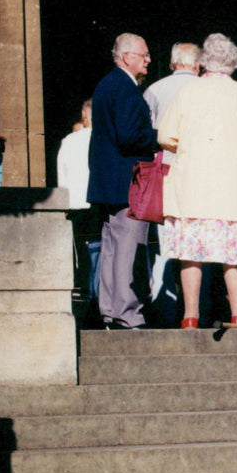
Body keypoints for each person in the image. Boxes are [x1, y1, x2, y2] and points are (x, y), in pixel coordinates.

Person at [157, 33, 237, 328]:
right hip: (230, 186)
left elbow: (165, 135)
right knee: (232, 256)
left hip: (192, 186)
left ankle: (190, 316)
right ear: (233, 63)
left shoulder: (186, 91)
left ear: (204, 61)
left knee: (190, 255)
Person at [87, 34, 158, 330]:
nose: (148, 60)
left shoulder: (107, 85)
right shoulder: (125, 88)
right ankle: (127, 312)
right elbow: (129, 135)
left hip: (108, 181)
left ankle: (109, 309)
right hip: (127, 181)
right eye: (144, 54)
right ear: (127, 56)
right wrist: (160, 137)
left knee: (112, 247)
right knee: (127, 246)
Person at [143, 42, 201, 326]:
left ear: (172, 62)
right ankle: (202, 307)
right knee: (201, 239)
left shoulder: (154, 89)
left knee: (165, 241)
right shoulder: (206, 88)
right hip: (202, 172)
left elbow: (147, 132)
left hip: (166, 170)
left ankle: (165, 308)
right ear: (197, 63)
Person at [57, 99, 100, 314]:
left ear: (84, 114)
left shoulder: (70, 140)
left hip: (75, 202)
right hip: (98, 201)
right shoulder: (105, 139)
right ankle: (96, 294)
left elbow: (61, 172)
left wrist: (63, 200)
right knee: (98, 250)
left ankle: (87, 292)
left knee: (82, 252)